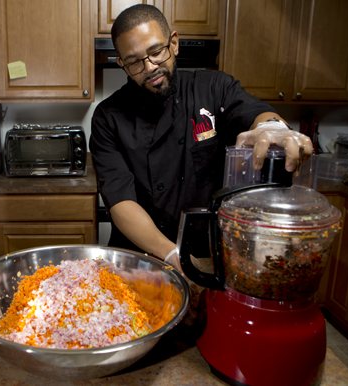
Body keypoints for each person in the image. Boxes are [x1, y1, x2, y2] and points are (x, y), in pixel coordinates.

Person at [90, 4, 313, 267]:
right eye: (134, 61)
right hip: (139, 256)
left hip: (207, 255)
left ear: (174, 43)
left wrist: (272, 128)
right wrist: (173, 254)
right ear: (122, 65)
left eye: (156, 52)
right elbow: (120, 202)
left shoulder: (214, 89)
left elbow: (254, 112)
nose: (149, 67)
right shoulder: (107, 116)